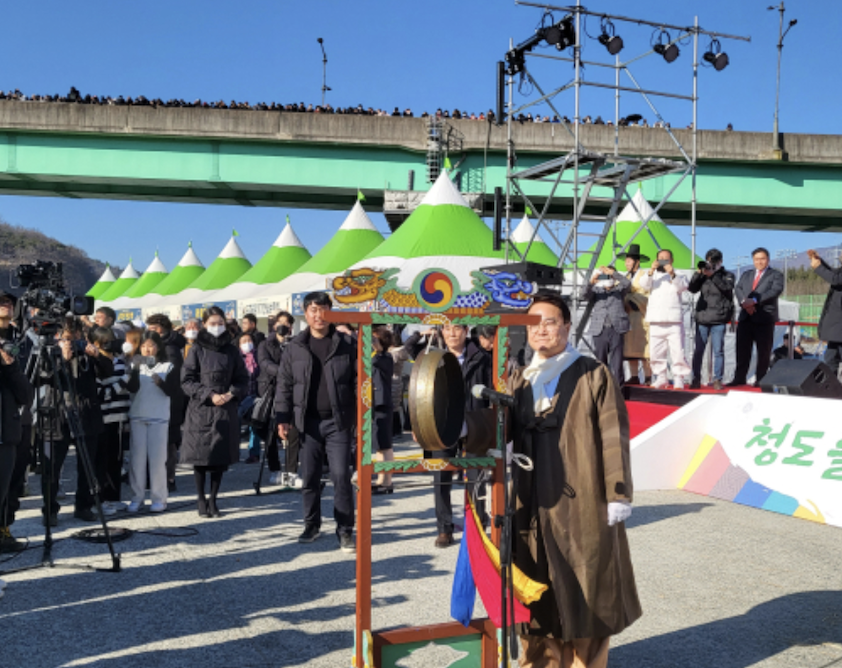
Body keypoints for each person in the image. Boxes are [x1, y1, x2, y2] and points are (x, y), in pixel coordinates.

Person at [464, 290, 641, 668]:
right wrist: (463, 426)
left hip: (584, 501)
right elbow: (500, 426)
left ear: (566, 326)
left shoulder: (592, 372)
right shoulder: (520, 378)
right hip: (531, 502)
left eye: (550, 322)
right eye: (534, 323)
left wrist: (618, 492)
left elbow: (614, 433)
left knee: (586, 588)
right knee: (534, 586)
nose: (541, 330)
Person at [275, 292, 357, 553]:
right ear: (305, 313)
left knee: (341, 476)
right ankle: (311, 525)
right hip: (307, 423)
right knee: (309, 477)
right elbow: (284, 384)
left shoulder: (347, 344)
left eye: (323, 309)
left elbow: (359, 381)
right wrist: (282, 417)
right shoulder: (295, 347)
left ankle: (345, 529)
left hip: (338, 422)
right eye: (313, 309)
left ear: (330, 312)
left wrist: (360, 415)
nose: (318, 315)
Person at [38, 321, 113, 525]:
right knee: (52, 467)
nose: (72, 342)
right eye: (67, 338)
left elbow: (108, 372)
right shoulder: (50, 352)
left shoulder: (88, 354)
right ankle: (50, 510)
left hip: (86, 413)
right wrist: (62, 359)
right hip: (57, 414)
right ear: (58, 337)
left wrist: (97, 356)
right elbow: (43, 377)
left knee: (87, 465)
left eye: (76, 337)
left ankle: (83, 506)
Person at [426, 323, 491, 549]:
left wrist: (490, 423)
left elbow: (491, 391)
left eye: (456, 328)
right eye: (446, 328)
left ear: (465, 330)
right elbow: (420, 393)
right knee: (440, 477)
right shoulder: (432, 358)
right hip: (440, 423)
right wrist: (420, 425)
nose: (451, 333)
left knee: (476, 477)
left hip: (475, 422)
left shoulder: (482, 358)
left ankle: (478, 527)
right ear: (441, 332)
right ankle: (444, 528)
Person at [181, 307, 249, 518]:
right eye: (213, 323)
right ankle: (201, 498)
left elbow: (243, 379)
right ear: (204, 325)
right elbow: (187, 380)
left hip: (225, 407)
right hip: (201, 408)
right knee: (201, 456)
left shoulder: (231, 350)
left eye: (220, 323)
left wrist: (231, 394)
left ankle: (213, 499)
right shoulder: (196, 349)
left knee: (220, 456)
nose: (217, 327)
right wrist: (208, 394)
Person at [125, 331, 179, 513]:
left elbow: (173, 391)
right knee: (137, 460)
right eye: (143, 346)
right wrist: (135, 369)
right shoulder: (135, 365)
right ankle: (137, 497)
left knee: (157, 460)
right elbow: (131, 388)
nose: (147, 350)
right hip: (138, 416)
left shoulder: (168, 366)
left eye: (151, 346)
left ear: (158, 347)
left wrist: (160, 382)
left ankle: (159, 498)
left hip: (159, 418)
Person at [0, 297, 33, 553]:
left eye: (10, 302)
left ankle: (4, 530)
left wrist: (10, 366)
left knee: (10, 485)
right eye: (1, 302)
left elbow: (26, 394)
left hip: (11, 427)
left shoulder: (20, 341)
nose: (7, 306)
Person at [258, 311, 301, 487]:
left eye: (287, 323)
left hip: (291, 392)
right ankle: (274, 469)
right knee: (270, 432)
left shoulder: (295, 344)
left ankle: (291, 472)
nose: (283, 326)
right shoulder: (265, 344)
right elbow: (264, 363)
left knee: (293, 432)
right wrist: (284, 373)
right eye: (280, 322)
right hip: (270, 391)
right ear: (275, 325)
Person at [730, 248, 784, 386]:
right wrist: (745, 302)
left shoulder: (776, 275)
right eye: (756, 259)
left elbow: (775, 291)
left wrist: (754, 301)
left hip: (764, 318)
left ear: (768, 259)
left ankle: (761, 379)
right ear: (753, 260)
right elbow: (738, 289)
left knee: (763, 351)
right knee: (742, 350)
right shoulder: (746, 274)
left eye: (762, 259)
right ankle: (739, 378)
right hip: (746, 318)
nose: (759, 262)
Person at [639, 249, 691, 389]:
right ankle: (661, 377)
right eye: (660, 258)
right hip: (656, 319)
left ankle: (679, 377)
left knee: (678, 351)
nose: (662, 261)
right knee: (656, 352)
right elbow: (644, 285)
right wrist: (651, 270)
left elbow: (683, 286)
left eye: (665, 258)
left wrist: (672, 273)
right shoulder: (652, 275)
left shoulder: (679, 274)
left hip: (673, 320)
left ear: (671, 260)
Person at [93, 327, 132, 516]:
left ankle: (114, 498)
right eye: (106, 341)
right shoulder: (96, 364)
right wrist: (123, 382)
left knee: (116, 460)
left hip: (120, 419)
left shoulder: (120, 362)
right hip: (103, 419)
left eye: (112, 340)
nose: (110, 344)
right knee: (102, 461)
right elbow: (100, 394)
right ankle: (101, 499)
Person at [145, 314, 185, 492]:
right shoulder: (161, 345)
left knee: (168, 442)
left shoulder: (170, 348)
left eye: (153, 329)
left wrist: (161, 382)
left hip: (170, 400)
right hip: (159, 398)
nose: (150, 332)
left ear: (162, 328)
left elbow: (173, 377)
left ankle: (168, 478)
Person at [688, 249, 735, 390]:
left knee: (718, 351)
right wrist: (698, 274)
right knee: (698, 350)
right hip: (702, 317)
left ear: (721, 261)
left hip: (719, 318)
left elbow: (727, 287)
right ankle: (696, 378)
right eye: (709, 261)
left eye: (714, 261)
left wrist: (713, 275)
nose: (711, 264)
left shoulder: (727, 275)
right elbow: (692, 288)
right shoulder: (703, 275)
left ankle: (717, 379)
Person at [583, 265, 631, 387]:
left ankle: (619, 391)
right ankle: (601, 389)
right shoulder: (596, 291)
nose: (608, 278)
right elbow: (583, 294)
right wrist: (591, 282)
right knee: (600, 362)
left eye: (610, 276)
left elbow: (627, 283)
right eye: (606, 276)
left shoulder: (620, 290)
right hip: (599, 330)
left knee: (617, 363)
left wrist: (614, 273)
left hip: (617, 329)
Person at [618, 244, 652, 385]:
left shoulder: (645, 276)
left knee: (644, 348)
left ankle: (648, 376)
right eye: (625, 261)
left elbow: (648, 295)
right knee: (630, 347)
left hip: (641, 315)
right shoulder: (625, 277)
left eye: (629, 261)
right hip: (628, 316)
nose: (626, 263)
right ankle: (634, 376)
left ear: (637, 262)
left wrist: (633, 301)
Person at [808, 249, 842, 376]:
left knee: (831, 359)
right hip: (836, 328)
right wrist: (820, 262)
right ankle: (831, 386)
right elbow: (834, 273)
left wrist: (818, 268)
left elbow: (835, 279)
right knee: (830, 359)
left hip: (839, 326)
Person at [371, 326, 394, 494]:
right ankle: (382, 480)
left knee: (384, 445)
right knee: (381, 445)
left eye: (374, 339)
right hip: (378, 403)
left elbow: (372, 362)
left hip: (382, 403)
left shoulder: (384, 358)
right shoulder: (379, 357)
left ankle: (386, 482)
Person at [238, 331, 261, 464]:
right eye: (243, 341)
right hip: (240, 397)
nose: (247, 343)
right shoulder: (236, 358)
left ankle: (254, 453)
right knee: (236, 425)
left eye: (249, 340)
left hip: (256, 395)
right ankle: (234, 453)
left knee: (255, 425)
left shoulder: (258, 356)